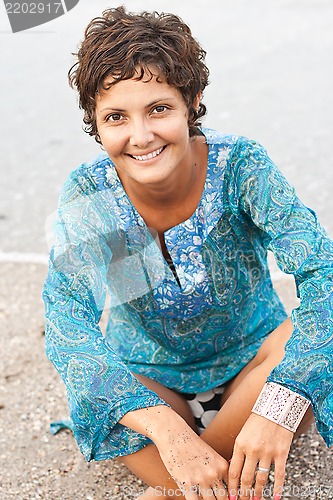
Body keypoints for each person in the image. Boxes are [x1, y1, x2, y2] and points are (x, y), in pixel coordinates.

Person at [43, 6, 332, 500]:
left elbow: (324, 274)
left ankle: (178, 490)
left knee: (305, 346)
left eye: (158, 109)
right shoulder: (90, 195)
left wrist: (279, 405)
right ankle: (227, 477)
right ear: (95, 123)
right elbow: (66, 322)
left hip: (254, 374)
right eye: (116, 117)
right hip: (152, 391)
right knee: (92, 383)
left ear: (191, 102)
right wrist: (171, 433)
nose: (140, 136)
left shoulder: (240, 165)